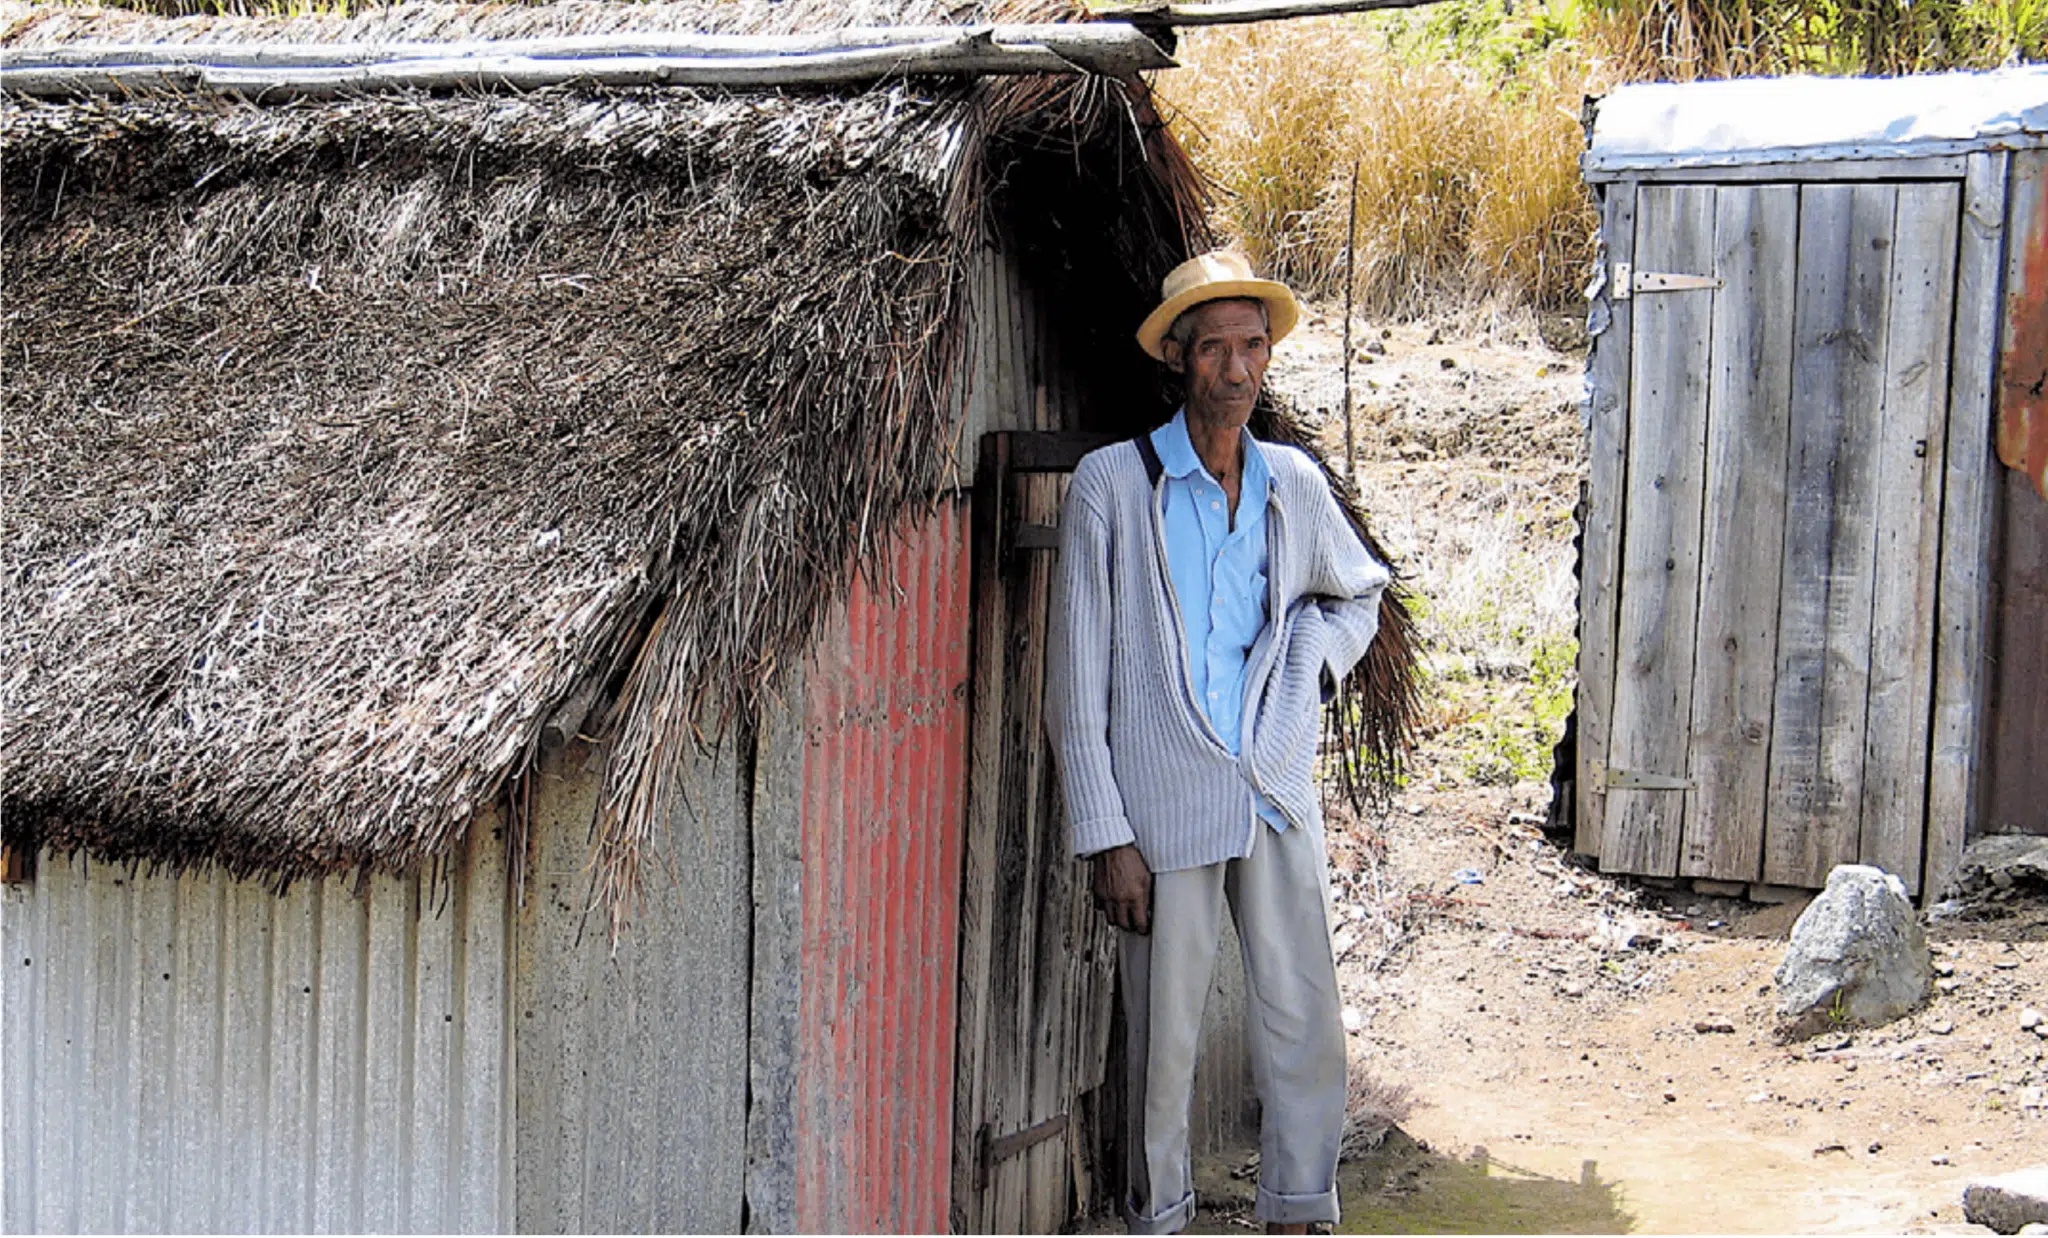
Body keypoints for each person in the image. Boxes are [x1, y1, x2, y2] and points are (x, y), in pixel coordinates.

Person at [1045, 250, 1390, 1235]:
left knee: (1302, 1016)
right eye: (1215, 351)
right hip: (1161, 809)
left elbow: (1355, 593)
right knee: (1163, 1042)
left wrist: (1308, 666)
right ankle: (1158, 1215)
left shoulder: (1290, 482)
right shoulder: (1111, 486)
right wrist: (1106, 832)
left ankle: (1296, 1207)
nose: (1236, 371)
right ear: (1178, 361)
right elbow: (1073, 682)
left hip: (1271, 786)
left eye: (1252, 348)